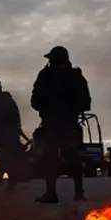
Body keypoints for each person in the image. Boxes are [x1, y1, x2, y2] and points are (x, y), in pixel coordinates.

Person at [31, 45, 91, 203]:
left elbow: (35, 101)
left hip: (52, 124)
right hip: (70, 123)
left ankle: (51, 193)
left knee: (50, 158)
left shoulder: (45, 76)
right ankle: (78, 192)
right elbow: (86, 102)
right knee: (72, 156)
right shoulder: (75, 76)